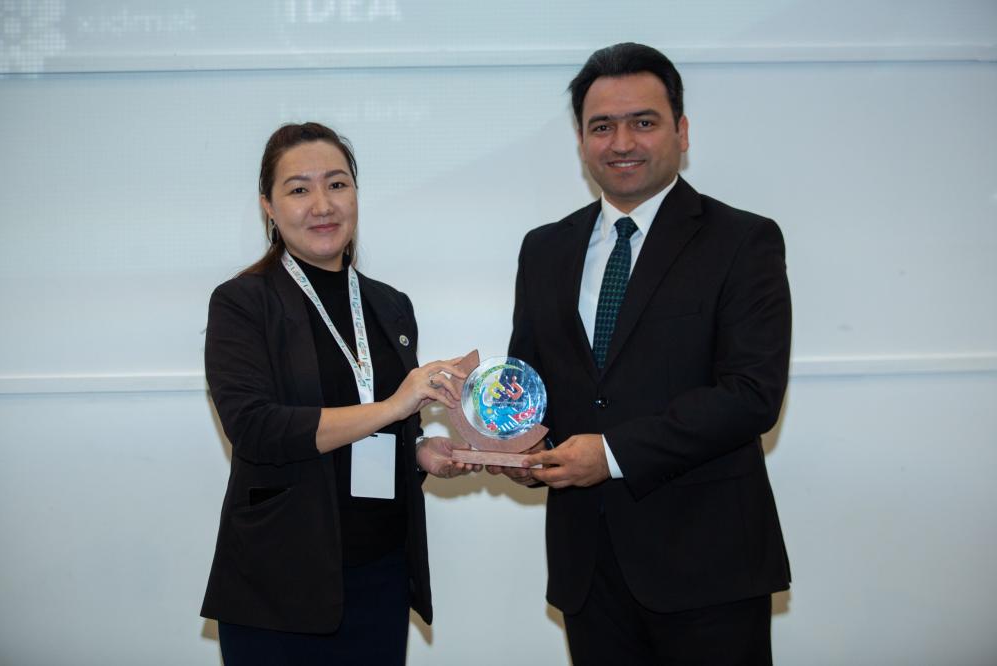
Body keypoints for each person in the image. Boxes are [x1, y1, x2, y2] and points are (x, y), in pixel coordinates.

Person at [494, 43, 792, 664]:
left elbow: (750, 396)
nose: (622, 142)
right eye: (602, 126)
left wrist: (610, 453)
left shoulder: (743, 241)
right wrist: (511, 441)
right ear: (581, 140)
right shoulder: (544, 249)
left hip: (708, 565)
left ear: (681, 131)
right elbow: (529, 383)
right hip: (587, 567)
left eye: (643, 122)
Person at [201, 122, 477, 665]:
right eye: (298, 189)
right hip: (280, 580)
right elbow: (255, 430)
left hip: (380, 575)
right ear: (268, 207)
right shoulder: (242, 303)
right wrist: (394, 405)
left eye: (337, 184)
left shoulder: (390, 305)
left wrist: (419, 452)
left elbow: (377, 433)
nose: (322, 205)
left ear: (355, 194)